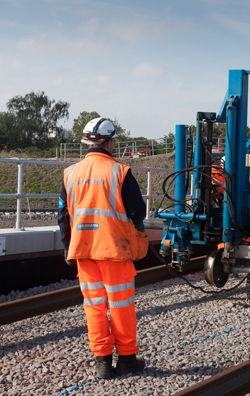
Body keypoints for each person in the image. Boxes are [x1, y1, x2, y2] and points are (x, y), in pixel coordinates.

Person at [57, 118, 149, 379]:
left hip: (83, 251)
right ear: (109, 142)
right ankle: (127, 359)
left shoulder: (70, 173)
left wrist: (68, 248)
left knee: (94, 305)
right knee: (120, 304)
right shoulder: (119, 171)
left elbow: (63, 215)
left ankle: (102, 363)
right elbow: (137, 212)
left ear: (87, 143)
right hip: (114, 250)